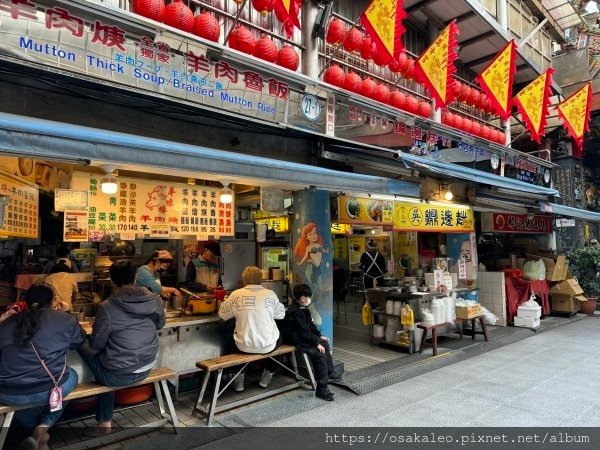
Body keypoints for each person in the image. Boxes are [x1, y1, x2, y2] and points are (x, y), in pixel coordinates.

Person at [79, 260, 165, 434]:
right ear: (135, 277)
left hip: (116, 375)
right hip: (147, 366)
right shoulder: (155, 299)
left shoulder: (107, 307)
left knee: (82, 343)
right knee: (109, 359)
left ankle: (105, 423)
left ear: (112, 280)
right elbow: (160, 324)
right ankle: (105, 421)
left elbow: (96, 344)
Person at [0, 283, 85, 450]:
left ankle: (35, 438)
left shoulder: (8, 323)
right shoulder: (65, 319)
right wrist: (66, 313)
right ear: (53, 301)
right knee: (71, 376)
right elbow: (79, 341)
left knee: (30, 397)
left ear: (25, 301)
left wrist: (3, 320)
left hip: (9, 394)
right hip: (50, 387)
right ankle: (42, 430)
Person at [218, 266, 285, 392]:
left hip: (242, 346)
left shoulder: (236, 294)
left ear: (244, 279)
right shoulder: (270, 294)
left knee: (232, 339)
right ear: (261, 279)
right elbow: (281, 315)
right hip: (268, 346)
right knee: (279, 337)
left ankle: (238, 382)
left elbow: (222, 314)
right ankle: (266, 377)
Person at [281, 284, 342, 401]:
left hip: (303, 337)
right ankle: (322, 389)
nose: (309, 299)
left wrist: (319, 337)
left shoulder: (302, 308)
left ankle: (329, 373)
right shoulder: (295, 311)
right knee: (319, 354)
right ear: (303, 298)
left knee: (325, 344)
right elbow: (303, 331)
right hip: (296, 339)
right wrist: (316, 343)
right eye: (308, 297)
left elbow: (310, 325)